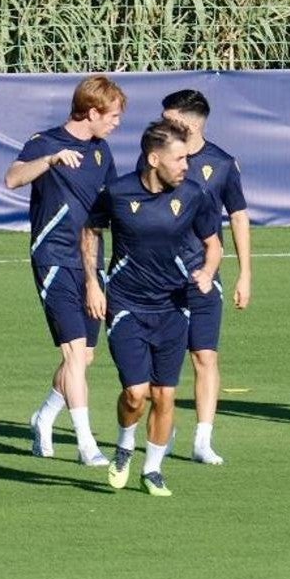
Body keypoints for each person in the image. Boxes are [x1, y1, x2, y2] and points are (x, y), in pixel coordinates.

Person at [83, 119, 222, 496]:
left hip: (174, 306)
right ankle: (125, 444)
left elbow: (213, 245)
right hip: (126, 305)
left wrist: (209, 273)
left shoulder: (194, 195)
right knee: (135, 393)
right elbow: (91, 232)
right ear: (153, 158)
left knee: (165, 395)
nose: (185, 166)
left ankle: (153, 469)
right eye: (178, 159)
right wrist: (93, 283)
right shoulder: (116, 192)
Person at [4, 74, 124, 466]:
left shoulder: (103, 152)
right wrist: (50, 161)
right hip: (53, 258)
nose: (116, 123)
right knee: (73, 354)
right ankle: (87, 444)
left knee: (86, 357)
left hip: (90, 261)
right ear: (92, 111)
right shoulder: (46, 143)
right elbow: (12, 178)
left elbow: (107, 211)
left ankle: (44, 417)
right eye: (113, 115)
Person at [158, 89, 252, 464]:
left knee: (205, 355)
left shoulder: (223, 163)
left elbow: (239, 217)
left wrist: (245, 275)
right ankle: (164, 427)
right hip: (160, 273)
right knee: (161, 360)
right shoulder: (157, 155)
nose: (162, 124)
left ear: (191, 121)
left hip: (203, 274)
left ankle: (202, 440)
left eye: (169, 118)